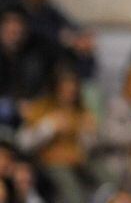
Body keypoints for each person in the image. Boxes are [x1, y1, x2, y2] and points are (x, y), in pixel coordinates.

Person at [18, 67, 100, 203]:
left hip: (76, 161)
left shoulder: (81, 111)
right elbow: (23, 142)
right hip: (49, 162)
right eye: (65, 90)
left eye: (72, 91)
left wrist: (88, 133)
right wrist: (49, 126)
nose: (69, 94)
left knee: (106, 174)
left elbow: (88, 148)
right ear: (55, 89)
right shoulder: (41, 107)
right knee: (71, 190)